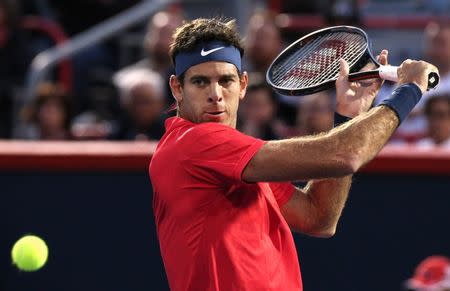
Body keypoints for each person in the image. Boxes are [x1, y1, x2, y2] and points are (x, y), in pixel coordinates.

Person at [149, 17, 438, 291]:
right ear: (177, 88)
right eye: (200, 82)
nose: (216, 93)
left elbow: (319, 217)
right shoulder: (191, 144)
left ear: (243, 85)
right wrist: (409, 90)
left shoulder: (236, 158)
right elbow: (345, 154)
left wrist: (348, 116)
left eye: (226, 80)